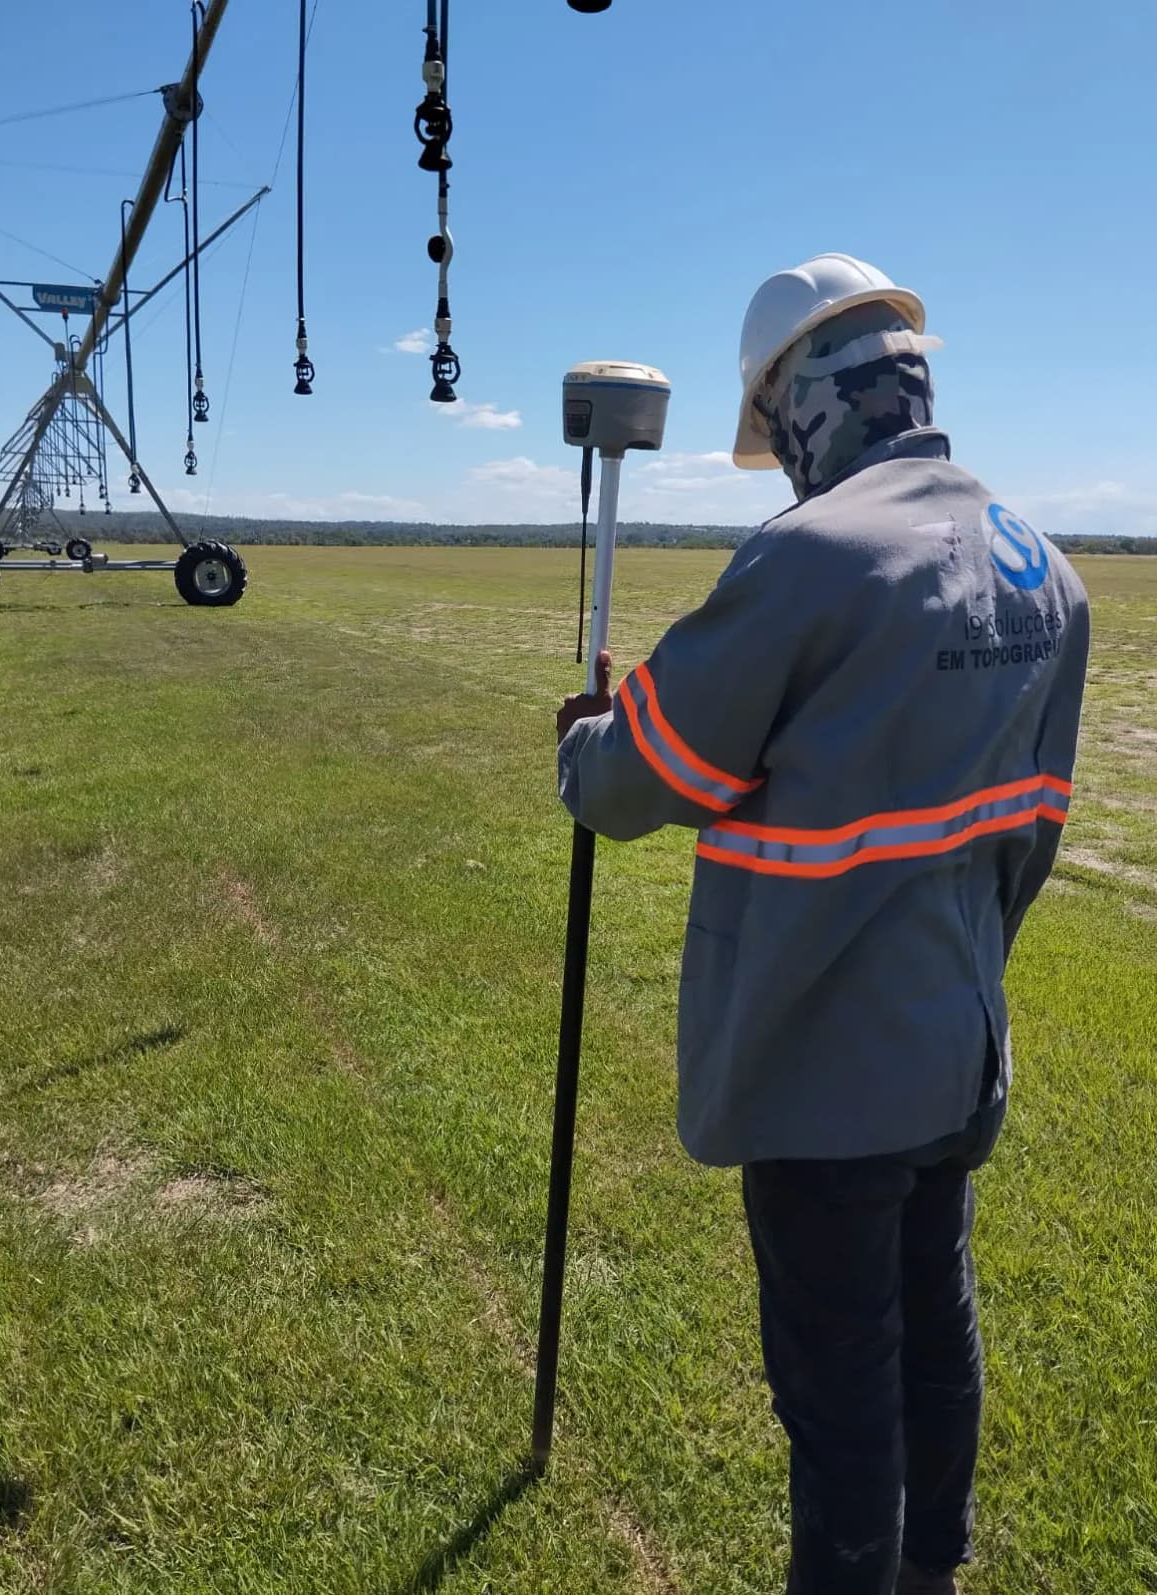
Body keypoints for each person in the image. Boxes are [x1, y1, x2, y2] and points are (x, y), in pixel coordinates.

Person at [554, 252, 1090, 1595]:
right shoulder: (1044, 568)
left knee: (838, 1387)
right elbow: (1031, 835)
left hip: (822, 1069)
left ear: (798, 403)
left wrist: (583, 744)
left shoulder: (808, 558)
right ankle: (932, 1571)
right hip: (958, 1048)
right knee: (935, 1328)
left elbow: (638, 781)